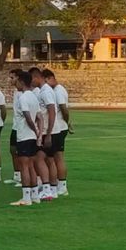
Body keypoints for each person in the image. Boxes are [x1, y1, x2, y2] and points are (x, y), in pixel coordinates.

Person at [10, 71, 41, 207]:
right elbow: (39, 117)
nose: (15, 83)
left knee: (24, 167)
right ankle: (35, 196)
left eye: (16, 81)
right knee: (31, 166)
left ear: (22, 82)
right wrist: (39, 133)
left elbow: (28, 117)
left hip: (24, 136)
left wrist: (34, 130)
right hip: (32, 137)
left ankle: (26, 198)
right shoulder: (34, 96)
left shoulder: (23, 98)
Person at [30, 67, 57, 201]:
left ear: (36, 77)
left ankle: (47, 190)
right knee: (49, 160)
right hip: (47, 130)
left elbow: (52, 111)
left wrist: (49, 133)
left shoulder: (46, 91)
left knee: (39, 158)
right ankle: (52, 189)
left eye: (31, 80)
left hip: (47, 131)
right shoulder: (43, 90)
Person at [44, 69, 70, 197]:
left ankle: (62, 186)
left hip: (59, 127)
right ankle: (58, 185)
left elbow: (64, 109)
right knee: (54, 158)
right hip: (59, 127)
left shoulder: (58, 91)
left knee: (57, 158)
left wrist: (67, 122)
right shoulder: (56, 90)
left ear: (51, 78)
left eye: (46, 81)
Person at [6, 69, 23, 186]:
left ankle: (24, 177)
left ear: (18, 78)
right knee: (13, 150)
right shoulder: (16, 92)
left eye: (12, 78)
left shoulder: (23, 92)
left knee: (22, 153)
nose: (10, 80)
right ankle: (17, 176)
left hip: (22, 128)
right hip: (15, 126)